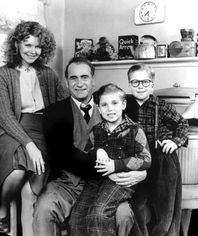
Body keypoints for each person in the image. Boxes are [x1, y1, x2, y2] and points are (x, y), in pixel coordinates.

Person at [33, 57, 147, 236]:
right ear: (66, 81)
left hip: (109, 184)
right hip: (69, 183)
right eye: (73, 78)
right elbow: (67, 158)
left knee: (123, 214)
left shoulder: (113, 106)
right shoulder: (54, 113)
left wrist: (141, 172)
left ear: (93, 79)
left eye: (84, 77)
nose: (79, 83)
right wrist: (115, 167)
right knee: (44, 208)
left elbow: (138, 148)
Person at [0, 21, 67, 235]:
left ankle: (28, 229)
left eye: (38, 46)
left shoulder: (48, 74)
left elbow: (65, 103)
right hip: (10, 128)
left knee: (34, 181)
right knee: (15, 170)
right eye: (27, 44)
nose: (33, 51)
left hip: (41, 128)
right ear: (16, 44)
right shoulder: (1, 74)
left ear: (44, 48)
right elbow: (5, 116)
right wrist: (29, 145)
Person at [69, 83, 151, 236]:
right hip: (95, 181)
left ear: (123, 104)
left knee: (99, 214)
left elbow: (145, 159)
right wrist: (97, 152)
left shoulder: (135, 130)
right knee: (76, 217)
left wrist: (116, 165)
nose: (110, 109)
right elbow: (86, 154)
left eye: (114, 103)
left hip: (120, 182)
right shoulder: (96, 130)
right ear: (98, 108)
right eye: (104, 105)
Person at [125, 63, 189, 236]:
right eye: (135, 82)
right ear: (129, 84)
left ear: (152, 84)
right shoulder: (125, 106)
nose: (140, 86)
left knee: (165, 209)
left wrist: (175, 142)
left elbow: (182, 124)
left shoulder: (161, 106)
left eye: (145, 82)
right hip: (137, 162)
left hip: (162, 161)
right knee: (137, 205)